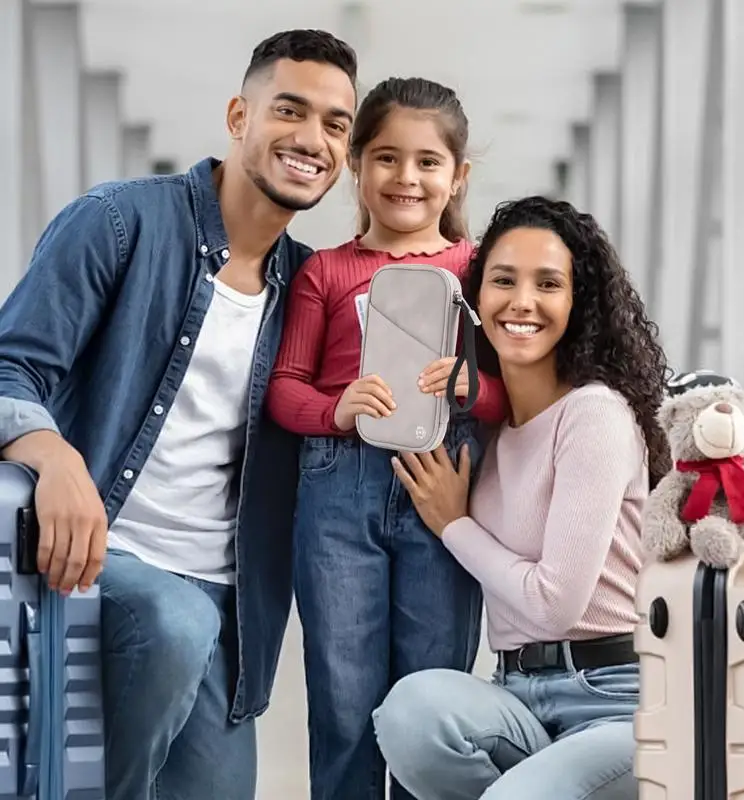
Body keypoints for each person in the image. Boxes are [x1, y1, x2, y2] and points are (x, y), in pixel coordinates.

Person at [0, 29, 358, 800]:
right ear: (239, 116)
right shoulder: (120, 223)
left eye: (336, 124)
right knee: (174, 623)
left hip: (229, 606)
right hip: (100, 559)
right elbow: (10, 365)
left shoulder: (310, 293)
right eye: (289, 110)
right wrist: (55, 458)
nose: (312, 139)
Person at [372, 195, 672, 800]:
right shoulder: (490, 430)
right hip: (518, 696)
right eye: (503, 280)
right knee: (409, 713)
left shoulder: (594, 414)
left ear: (576, 302)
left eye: (549, 284)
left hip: (621, 702)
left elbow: (555, 604)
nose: (522, 301)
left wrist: (454, 525)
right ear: (476, 300)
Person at [266, 77, 508, 799]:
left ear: (457, 176)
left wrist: (477, 391)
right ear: (356, 167)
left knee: (430, 692)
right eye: (387, 159)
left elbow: (514, 394)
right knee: (343, 695)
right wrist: (335, 410)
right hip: (339, 490)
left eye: (429, 162)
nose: (407, 178)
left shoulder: (477, 271)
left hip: (444, 485)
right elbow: (284, 388)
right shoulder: (326, 272)